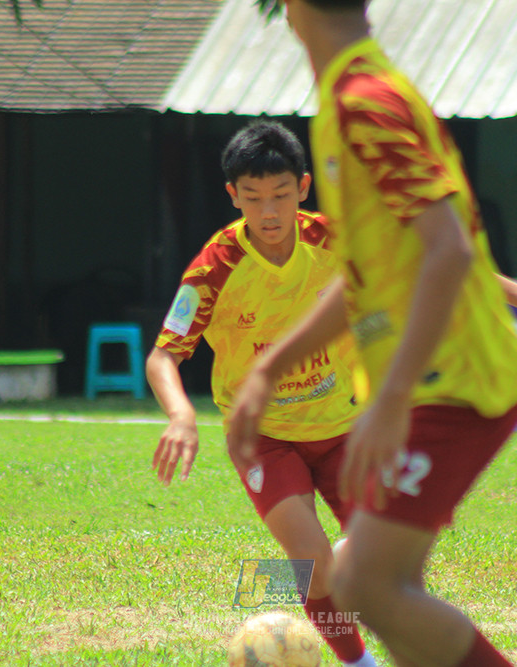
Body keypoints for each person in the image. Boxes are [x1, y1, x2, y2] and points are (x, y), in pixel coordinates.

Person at [226, 2, 517, 665]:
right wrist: (271, 367)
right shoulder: (356, 94)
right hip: (437, 378)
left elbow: (449, 251)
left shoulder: (362, 101)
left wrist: (394, 396)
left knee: (363, 583)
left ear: (289, 10)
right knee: (389, 588)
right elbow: (368, 272)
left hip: (449, 382)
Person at [147, 119, 378, 667]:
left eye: (280, 195)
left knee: (393, 557)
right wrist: (181, 416)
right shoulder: (215, 268)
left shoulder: (334, 242)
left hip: (345, 428)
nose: (268, 212)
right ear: (233, 196)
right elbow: (164, 355)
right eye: (252, 198)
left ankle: (285, 579)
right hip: (263, 437)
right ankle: (357, 661)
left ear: (302, 187)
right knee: (312, 559)